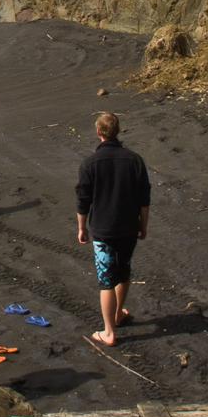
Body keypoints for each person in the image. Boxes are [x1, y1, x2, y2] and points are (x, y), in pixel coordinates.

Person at [75, 112, 151, 347]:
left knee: (106, 279)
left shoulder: (90, 163)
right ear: (118, 131)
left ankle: (109, 330)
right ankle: (118, 314)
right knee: (124, 270)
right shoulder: (135, 160)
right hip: (128, 226)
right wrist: (143, 225)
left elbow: (83, 200)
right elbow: (144, 198)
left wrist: (81, 228)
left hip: (103, 228)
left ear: (99, 133)